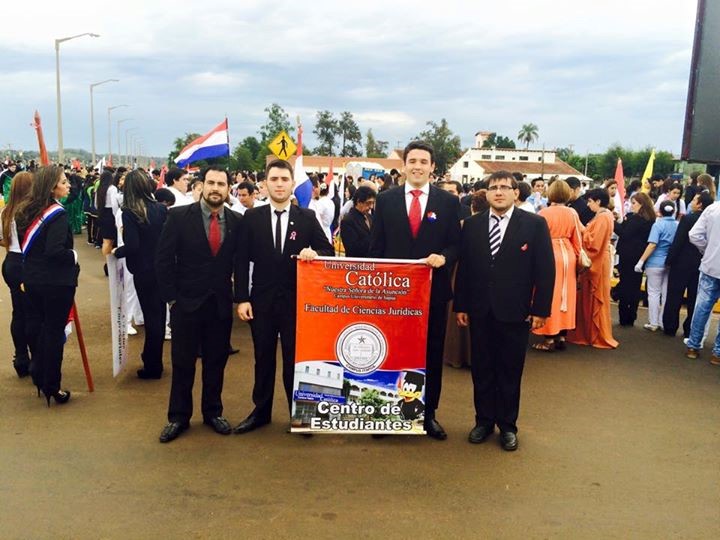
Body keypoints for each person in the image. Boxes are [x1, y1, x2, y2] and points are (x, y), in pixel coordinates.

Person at [454, 171, 554, 451]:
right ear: (486, 193)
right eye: (493, 187)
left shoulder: (534, 225)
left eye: (504, 188)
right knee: (482, 369)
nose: (498, 192)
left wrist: (540, 309)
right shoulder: (471, 226)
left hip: (516, 311)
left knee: (510, 370)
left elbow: (545, 271)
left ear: (515, 193)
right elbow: (465, 270)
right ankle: (483, 421)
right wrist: (461, 305)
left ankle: (508, 426)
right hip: (479, 309)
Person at [369, 141, 461, 440]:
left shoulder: (447, 203)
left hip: (432, 293)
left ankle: (428, 414)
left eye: (424, 161)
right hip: (393, 296)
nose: (418, 166)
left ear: (433, 167)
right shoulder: (385, 200)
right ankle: (388, 411)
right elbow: (376, 247)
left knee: (431, 354)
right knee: (392, 353)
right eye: (412, 161)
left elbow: (456, 244)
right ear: (404, 165)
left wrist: (444, 256)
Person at [233, 159, 334, 434]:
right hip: (261, 302)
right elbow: (240, 261)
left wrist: (314, 254)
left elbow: (329, 252)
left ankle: (299, 414)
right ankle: (261, 411)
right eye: (274, 179)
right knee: (263, 358)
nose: (279, 184)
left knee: (295, 359)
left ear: (292, 184)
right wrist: (242, 298)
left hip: (296, 302)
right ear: (265, 184)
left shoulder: (307, 218)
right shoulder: (252, 218)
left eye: (284, 179)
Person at [155, 166, 243, 443]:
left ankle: (212, 412)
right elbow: (163, 260)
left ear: (229, 189)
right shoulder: (179, 217)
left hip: (219, 305)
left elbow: (240, 265)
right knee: (182, 363)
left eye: (222, 184)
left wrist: (240, 298)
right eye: (211, 183)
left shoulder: (237, 221)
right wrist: (171, 299)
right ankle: (178, 417)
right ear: (202, 185)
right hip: (185, 305)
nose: (216, 188)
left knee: (216, 362)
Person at [15, 165, 80, 405]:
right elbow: (55, 251)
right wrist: (74, 256)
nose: (69, 185)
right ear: (53, 187)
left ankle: (40, 374)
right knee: (53, 333)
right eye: (64, 182)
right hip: (56, 284)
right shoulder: (57, 214)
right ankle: (52, 385)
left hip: (31, 280)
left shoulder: (25, 210)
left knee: (39, 329)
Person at [112, 170, 168, 379]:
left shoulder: (130, 211)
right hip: (161, 270)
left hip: (143, 271)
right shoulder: (161, 210)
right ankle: (155, 360)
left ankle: (152, 364)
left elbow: (132, 245)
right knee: (159, 317)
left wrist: (117, 252)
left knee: (151, 318)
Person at [531, 180, 582, 351]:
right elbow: (578, 238)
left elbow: (537, 239)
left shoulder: (544, 213)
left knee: (549, 294)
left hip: (550, 252)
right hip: (568, 253)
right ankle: (562, 334)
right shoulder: (572, 213)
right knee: (566, 295)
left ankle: (549, 337)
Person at [567, 189, 618, 349]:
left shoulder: (603, 217)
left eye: (590, 201)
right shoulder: (605, 215)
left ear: (598, 201)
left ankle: (593, 333)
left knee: (593, 297)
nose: (588, 204)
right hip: (601, 259)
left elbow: (593, 243)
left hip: (597, 261)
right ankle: (591, 332)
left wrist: (581, 229)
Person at [663, 192, 714, 337]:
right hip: (701, 263)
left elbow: (678, 241)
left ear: (700, 204)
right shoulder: (712, 221)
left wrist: (669, 260)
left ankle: (670, 326)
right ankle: (689, 329)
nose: (691, 202)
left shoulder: (688, 219)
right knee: (694, 298)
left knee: (674, 295)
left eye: (694, 200)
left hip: (681, 262)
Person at [0, 172, 33, 377]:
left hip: (11, 262)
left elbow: (1, 239)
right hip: (27, 263)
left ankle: (20, 356)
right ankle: (33, 356)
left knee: (18, 313)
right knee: (33, 314)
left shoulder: (6, 211)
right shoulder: (31, 212)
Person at [685, 200, 720, 363]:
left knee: (702, 307)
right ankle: (717, 352)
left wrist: (706, 249)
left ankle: (693, 345)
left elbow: (694, 235)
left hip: (710, 265)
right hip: (711, 264)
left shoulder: (713, 209)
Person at [635, 200, 678, 332]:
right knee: (666, 293)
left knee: (653, 293)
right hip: (670, 262)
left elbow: (652, 244)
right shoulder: (677, 225)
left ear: (660, 211)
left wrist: (641, 261)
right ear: (674, 211)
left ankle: (653, 322)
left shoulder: (657, 225)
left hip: (654, 263)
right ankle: (663, 321)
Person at [614, 192, 655, 326]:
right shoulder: (649, 219)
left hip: (628, 256)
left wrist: (613, 222)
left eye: (634, 203)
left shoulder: (636, 219)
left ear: (641, 205)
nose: (631, 206)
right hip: (640, 256)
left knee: (626, 285)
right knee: (635, 287)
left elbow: (624, 234)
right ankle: (632, 315)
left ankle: (624, 316)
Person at [340, 186, 375, 258]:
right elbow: (352, 248)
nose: (371, 207)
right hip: (357, 264)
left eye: (372, 203)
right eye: (368, 203)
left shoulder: (370, 217)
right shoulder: (348, 221)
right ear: (359, 201)